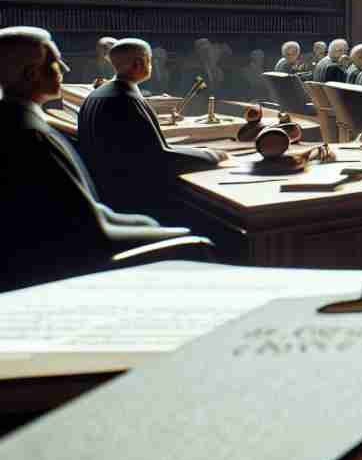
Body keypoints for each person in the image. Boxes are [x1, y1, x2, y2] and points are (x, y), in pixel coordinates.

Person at [1, 28, 181, 292]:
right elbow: (92, 234)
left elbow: (85, 210)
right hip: (66, 263)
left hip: (50, 248)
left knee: (149, 223)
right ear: (31, 75)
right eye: (54, 62)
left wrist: (149, 226)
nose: (64, 69)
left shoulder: (16, 122)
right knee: (198, 246)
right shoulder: (31, 135)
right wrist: (180, 238)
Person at [74, 38, 225, 211]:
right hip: (131, 200)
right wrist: (211, 155)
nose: (151, 65)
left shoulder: (98, 94)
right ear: (139, 63)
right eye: (150, 60)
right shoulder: (125, 98)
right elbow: (160, 157)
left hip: (105, 193)